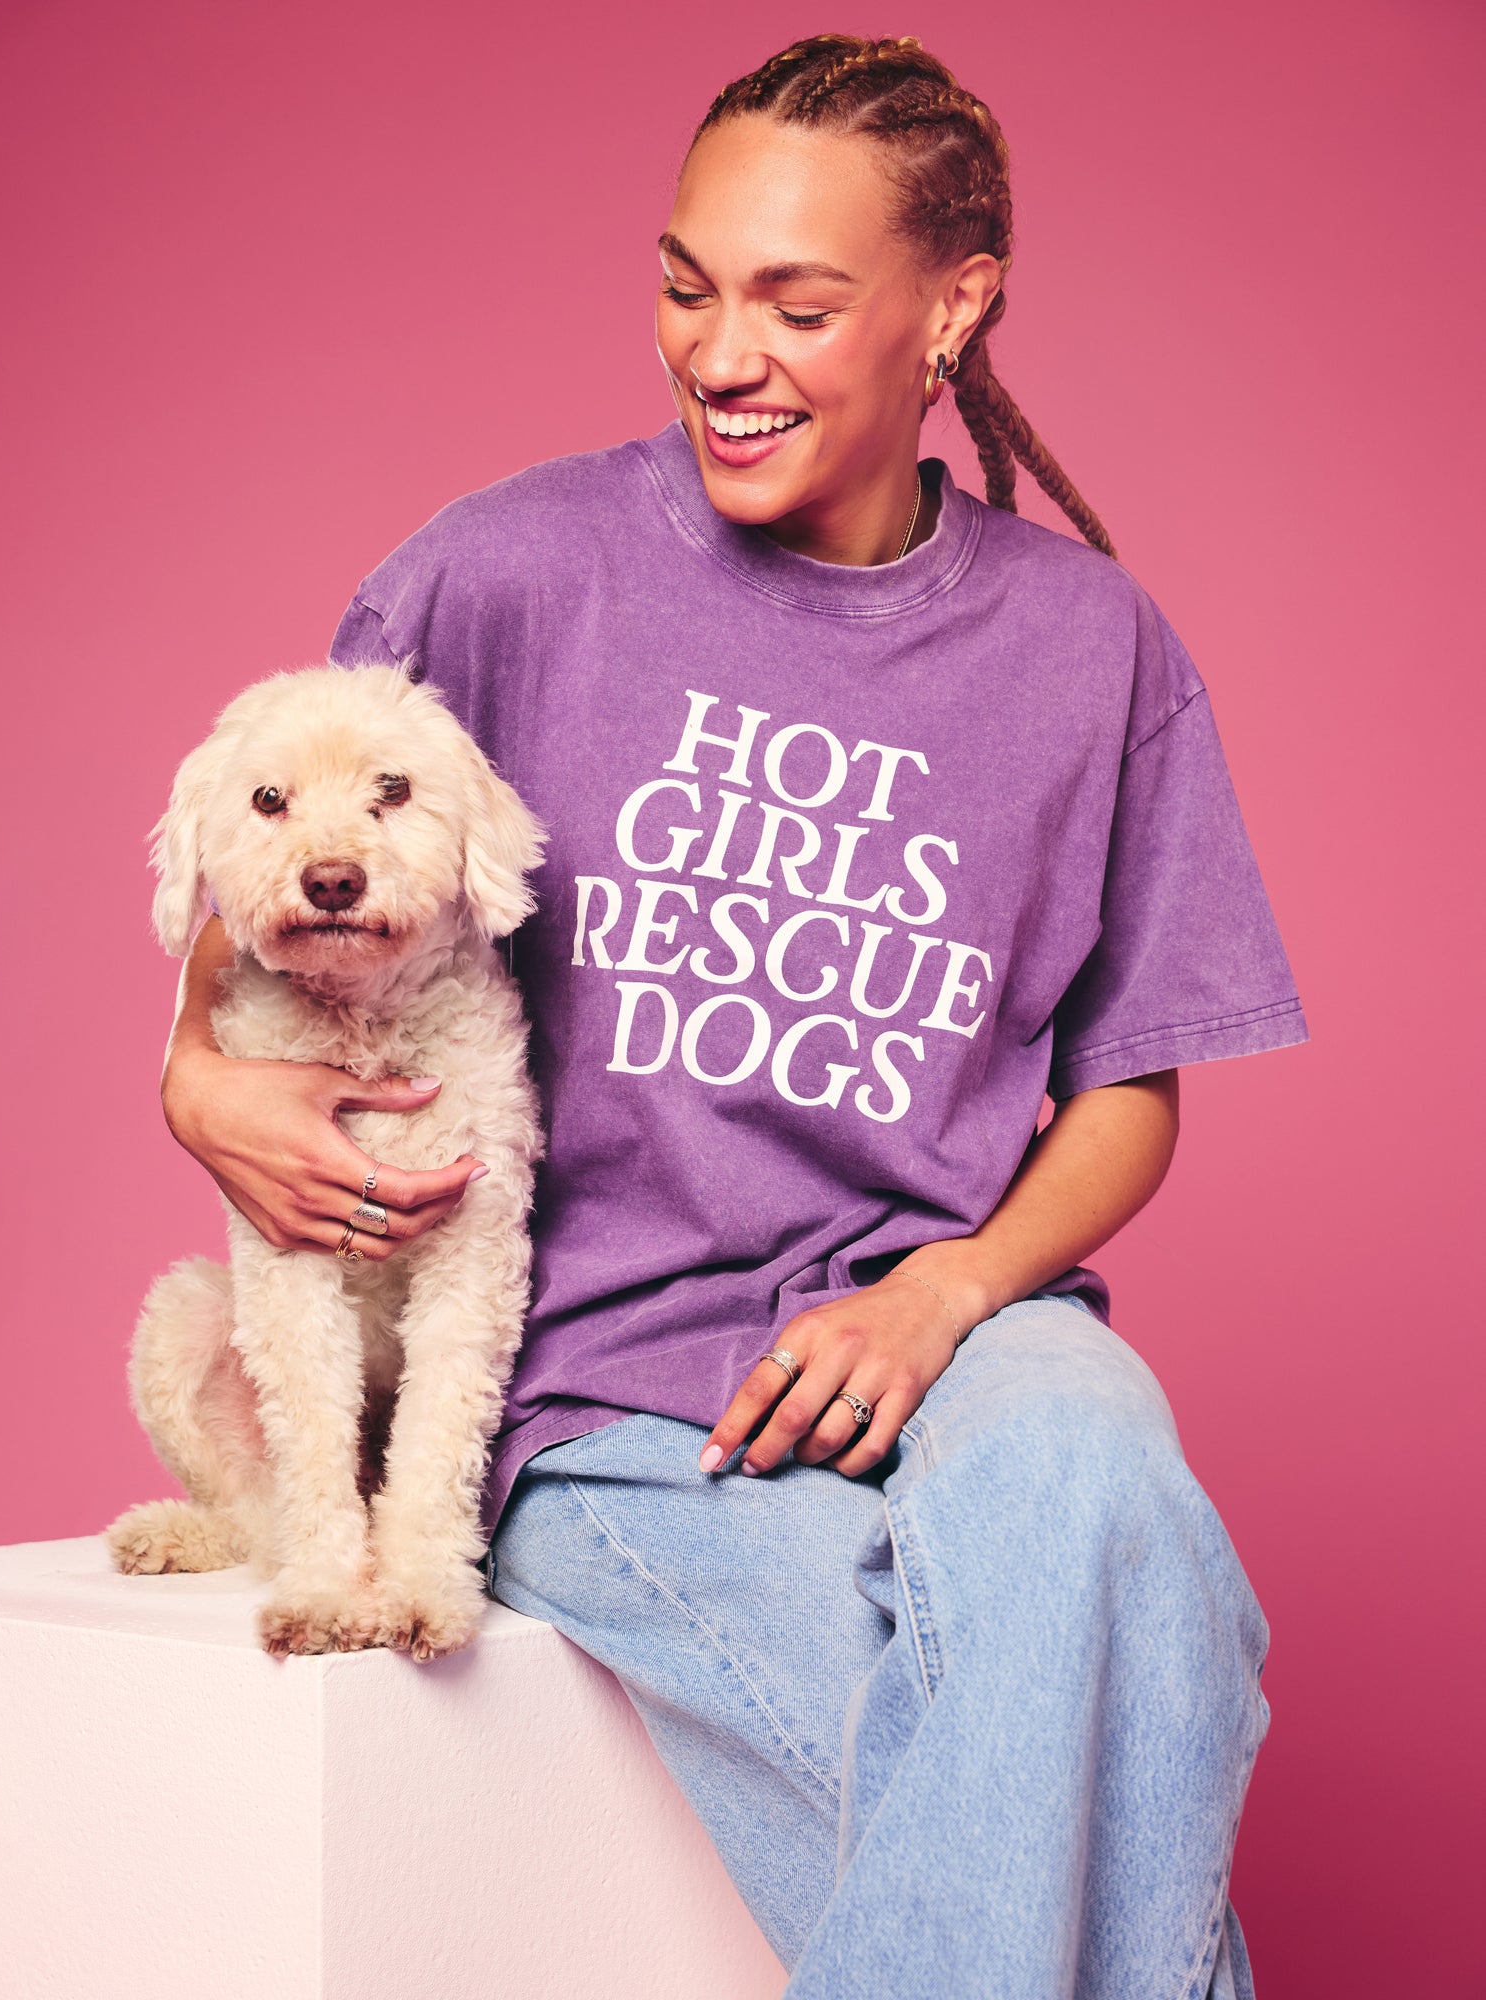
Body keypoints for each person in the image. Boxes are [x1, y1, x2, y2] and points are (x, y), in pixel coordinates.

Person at [161, 35, 1307, 1999]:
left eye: (797, 300)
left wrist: (947, 1293)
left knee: (1102, 1471)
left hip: (949, 1333)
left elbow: (1127, 1091)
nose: (720, 350)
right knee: (991, 1757)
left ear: (954, 306)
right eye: (688, 286)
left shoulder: (1090, 645)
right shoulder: (519, 565)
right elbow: (284, 834)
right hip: (618, 1398)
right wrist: (196, 1080)